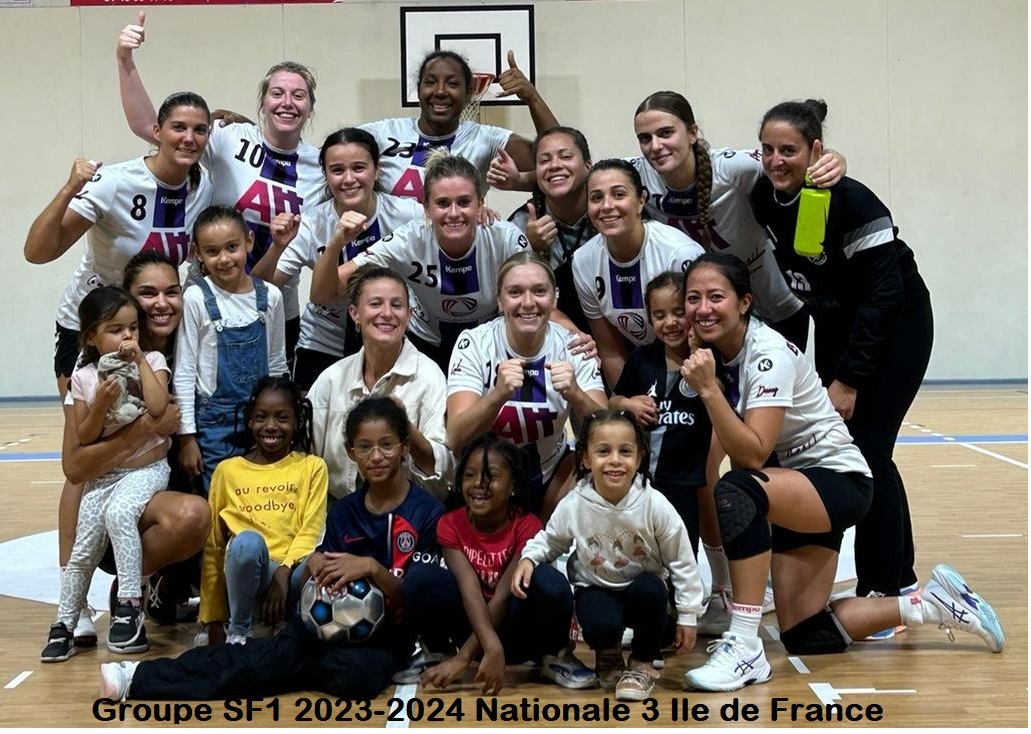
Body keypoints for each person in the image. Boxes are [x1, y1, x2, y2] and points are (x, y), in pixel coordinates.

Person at [678, 252, 1002, 693]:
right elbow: (720, 454)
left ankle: (745, 644)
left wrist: (709, 390)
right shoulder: (716, 354)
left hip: (838, 481)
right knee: (805, 633)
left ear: (745, 302)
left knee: (739, 489)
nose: (703, 308)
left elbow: (752, 455)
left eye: (716, 296)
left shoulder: (766, 355)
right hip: (794, 487)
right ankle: (930, 603)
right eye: (693, 298)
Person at [98, 396, 445, 702]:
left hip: (384, 637)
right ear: (352, 453)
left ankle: (283, 663)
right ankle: (135, 677)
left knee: (356, 678)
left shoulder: (426, 512)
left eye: (386, 445)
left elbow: (420, 595)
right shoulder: (344, 511)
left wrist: (371, 568)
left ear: (404, 447)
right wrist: (314, 565)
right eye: (365, 447)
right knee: (260, 663)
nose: (377, 456)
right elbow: (320, 579)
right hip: (328, 631)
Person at [24, 87, 211, 644]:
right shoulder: (114, 181)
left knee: (153, 441)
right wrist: (70, 186)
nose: (189, 138)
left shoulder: (203, 183)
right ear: (155, 130)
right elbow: (38, 251)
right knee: (85, 456)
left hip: (150, 325)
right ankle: (73, 600)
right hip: (94, 331)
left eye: (200, 129)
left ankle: (143, 581)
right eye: (178, 127)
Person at [750, 99, 934, 627]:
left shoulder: (854, 203)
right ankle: (896, 576)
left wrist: (848, 379)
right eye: (768, 149)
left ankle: (888, 586)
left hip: (895, 328)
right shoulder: (764, 192)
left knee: (870, 452)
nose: (776, 160)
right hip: (835, 322)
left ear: (816, 150)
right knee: (852, 450)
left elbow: (883, 298)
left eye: (789, 150)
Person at [118, 13, 323, 361]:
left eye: (298, 95)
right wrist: (125, 58)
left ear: (310, 108)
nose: (287, 102)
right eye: (277, 93)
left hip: (274, 305)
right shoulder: (229, 137)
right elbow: (147, 126)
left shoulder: (320, 166)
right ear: (263, 103)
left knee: (269, 392)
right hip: (205, 298)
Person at [512, 410, 704, 702]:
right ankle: (608, 653)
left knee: (652, 591)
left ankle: (642, 663)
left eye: (625, 451)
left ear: (639, 458)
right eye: (603, 451)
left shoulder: (654, 503)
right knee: (598, 620)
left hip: (642, 591)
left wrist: (688, 614)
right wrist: (529, 558)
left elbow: (682, 560)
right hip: (597, 588)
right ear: (586, 458)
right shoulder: (575, 503)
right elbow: (550, 540)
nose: (615, 460)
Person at [631, 91, 848, 342]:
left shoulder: (731, 168)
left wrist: (834, 159)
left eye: (666, 133)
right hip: (709, 314)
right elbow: (595, 175)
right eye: (645, 138)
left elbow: (791, 162)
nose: (655, 146)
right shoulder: (637, 173)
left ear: (692, 133)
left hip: (776, 309)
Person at [407, 433, 597, 694]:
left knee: (546, 580)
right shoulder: (450, 524)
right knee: (421, 578)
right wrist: (479, 648)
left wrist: (470, 656)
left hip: (520, 634)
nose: (478, 484)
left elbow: (503, 596)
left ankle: (555, 656)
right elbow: (470, 589)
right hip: (474, 628)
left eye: (491, 476)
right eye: (469, 475)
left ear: (513, 485)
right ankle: (438, 653)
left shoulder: (527, 525)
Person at [313, 152, 534, 372]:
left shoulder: (506, 239)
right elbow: (323, 294)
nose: (454, 213)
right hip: (425, 345)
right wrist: (335, 244)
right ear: (426, 208)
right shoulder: (408, 240)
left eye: (464, 202)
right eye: (443, 203)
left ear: (480, 204)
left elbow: (538, 302)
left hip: (488, 344)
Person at [41, 286, 171, 662]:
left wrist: (141, 362)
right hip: (104, 477)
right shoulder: (84, 377)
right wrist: (100, 402)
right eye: (115, 330)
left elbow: (159, 408)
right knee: (83, 547)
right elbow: (85, 435)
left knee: (120, 514)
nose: (127, 336)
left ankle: (129, 605)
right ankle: (64, 622)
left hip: (146, 469)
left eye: (132, 328)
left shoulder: (153, 359)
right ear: (90, 338)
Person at [251, 128, 422, 389]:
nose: (349, 179)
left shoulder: (407, 214)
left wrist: (480, 213)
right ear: (326, 175)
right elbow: (259, 289)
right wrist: (277, 247)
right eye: (337, 170)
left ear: (377, 170)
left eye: (359, 168)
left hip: (388, 340)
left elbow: (448, 224)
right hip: (323, 342)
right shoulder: (311, 223)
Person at [447, 252, 606, 517]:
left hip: (553, 473)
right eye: (515, 292)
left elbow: (609, 431)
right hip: (488, 475)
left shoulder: (575, 346)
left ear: (554, 298)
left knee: (596, 466)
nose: (528, 302)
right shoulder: (475, 343)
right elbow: (455, 438)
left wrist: (576, 394)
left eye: (539, 291)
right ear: (499, 301)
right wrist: (497, 395)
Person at [199, 377, 327, 646]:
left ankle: (297, 634)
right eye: (261, 417)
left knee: (319, 561)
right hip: (246, 578)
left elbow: (311, 531)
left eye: (282, 418)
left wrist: (283, 572)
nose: (270, 426)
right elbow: (214, 547)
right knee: (247, 542)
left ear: (297, 422)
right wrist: (212, 618)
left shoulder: (312, 467)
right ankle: (239, 633)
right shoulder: (227, 471)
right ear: (249, 421)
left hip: (291, 578)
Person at [307, 265, 452, 500]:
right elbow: (304, 457)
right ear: (354, 313)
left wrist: (403, 424)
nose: (387, 313)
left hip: (409, 511)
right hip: (336, 510)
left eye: (397, 305)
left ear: (409, 315)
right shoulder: (331, 379)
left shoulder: (429, 377)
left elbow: (443, 476)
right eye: (375, 304)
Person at [173, 206, 288, 495]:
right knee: (218, 499)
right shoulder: (196, 297)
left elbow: (276, 363)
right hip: (213, 426)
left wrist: (283, 416)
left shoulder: (270, 296)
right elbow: (185, 371)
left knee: (260, 495)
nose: (224, 259)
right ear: (198, 254)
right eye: (212, 251)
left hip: (262, 420)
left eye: (232, 247)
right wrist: (187, 438)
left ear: (249, 241)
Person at [572, 159, 704, 387]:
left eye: (618, 195)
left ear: (641, 201)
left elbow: (706, 334)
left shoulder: (679, 253)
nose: (606, 206)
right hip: (642, 362)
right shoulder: (583, 261)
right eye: (596, 198)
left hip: (696, 359)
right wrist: (625, 402)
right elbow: (611, 352)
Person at [360, 50, 556, 201]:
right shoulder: (381, 134)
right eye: (430, 82)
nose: (440, 91)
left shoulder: (486, 139)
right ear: (418, 89)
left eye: (452, 84)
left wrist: (533, 99)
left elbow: (559, 160)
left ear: (469, 93)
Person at [504, 126, 597, 333]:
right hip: (549, 332)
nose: (555, 165)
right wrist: (530, 249)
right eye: (544, 161)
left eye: (565, 156)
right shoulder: (521, 223)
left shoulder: (607, 213)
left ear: (588, 165)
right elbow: (510, 298)